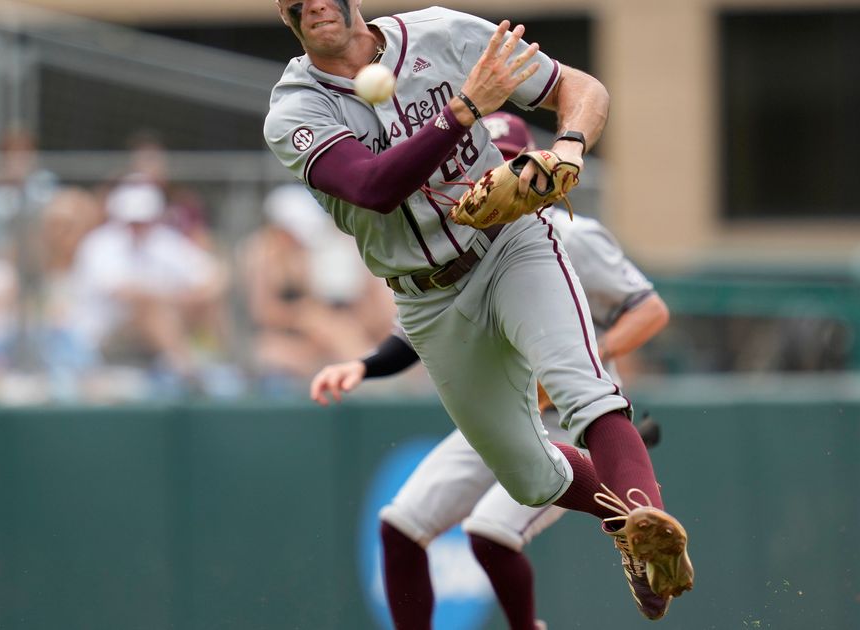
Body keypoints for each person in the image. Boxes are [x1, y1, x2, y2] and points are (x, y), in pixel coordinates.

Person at [263, 0, 694, 623]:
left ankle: (652, 539)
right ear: (285, 13)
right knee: (529, 478)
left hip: (510, 242)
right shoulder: (295, 106)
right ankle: (629, 519)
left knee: (586, 391)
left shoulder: (443, 32)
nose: (313, 3)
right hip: (428, 294)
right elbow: (373, 188)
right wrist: (463, 109)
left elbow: (580, 87)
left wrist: (570, 144)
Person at [309, 112, 672, 627]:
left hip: (565, 414)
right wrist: (362, 366)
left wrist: (592, 351)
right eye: (489, 164)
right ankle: (631, 519)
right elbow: (415, 331)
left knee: (492, 534)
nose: (496, 179)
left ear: (533, 167)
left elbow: (650, 310)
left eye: (509, 165)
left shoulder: (571, 232)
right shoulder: (452, 236)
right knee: (400, 525)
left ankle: (637, 523)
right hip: (503, 405)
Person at [68, 182, 227, 391]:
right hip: (102, 336)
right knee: (150, 309)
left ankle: (227, 365)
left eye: (143, 220)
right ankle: (188, 372)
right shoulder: (100, 245)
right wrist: (177, 297)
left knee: (209, 305)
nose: (137, 227)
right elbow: (125, 293)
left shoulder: (165, 242)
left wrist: (192, 298)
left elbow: (216, 276)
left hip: (159, 325)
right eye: (132, 221)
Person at [238, 184, 394, 392]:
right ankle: (373, 381)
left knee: (347, 324)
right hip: (276, 340)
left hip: (315, 336)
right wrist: (303, 315)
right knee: (324, 325)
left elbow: (336, 299)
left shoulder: (307, 252)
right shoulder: (260, 256)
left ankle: (374, 377)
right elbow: (263, 313)